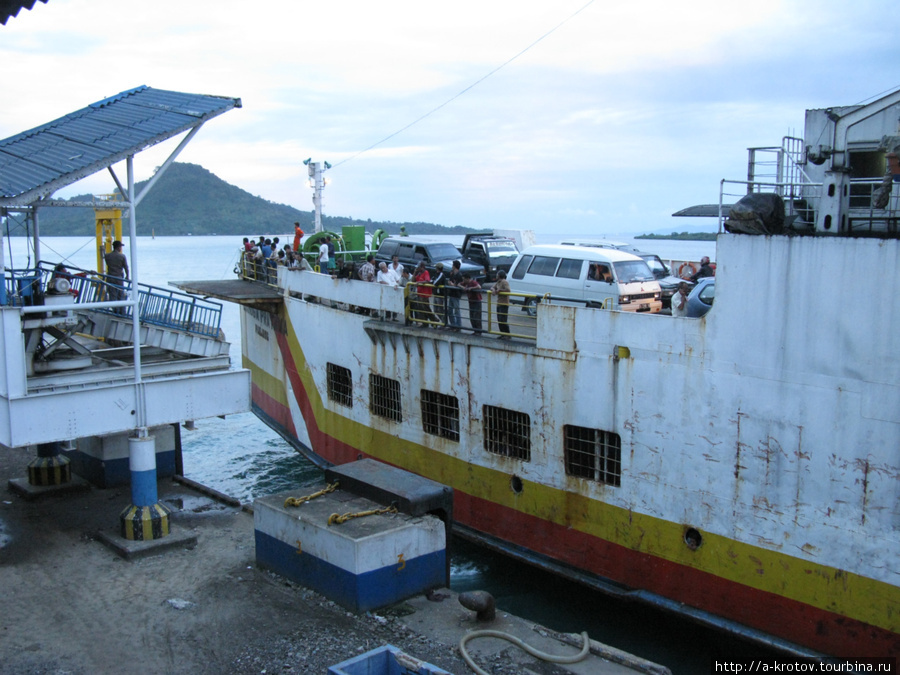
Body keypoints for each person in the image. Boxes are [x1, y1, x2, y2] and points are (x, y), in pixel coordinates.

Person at [104, 240, 129, 311]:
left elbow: (108, 264)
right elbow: (126, 267)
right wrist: (127, 276)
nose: (121, 248)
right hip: (119, 278)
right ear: (118, 247)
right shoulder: (122, 256)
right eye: (120, 246)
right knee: (120, 294)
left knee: (112, 294)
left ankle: (115, 309)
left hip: (110, 277)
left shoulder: (107, 256)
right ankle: (121, 310)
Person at [490, 269, 511, 338]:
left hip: (504, 303)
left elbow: (508, 290)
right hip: (499, 303)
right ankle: (502, 333)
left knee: (503, 319)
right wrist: (494, 290)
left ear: (499, 275)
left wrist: (500, 290)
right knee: (499, 319)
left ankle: (507, 334)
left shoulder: (504, 282)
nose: (496, 276)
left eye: (497, 275)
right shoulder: (498, 282)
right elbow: (492, 287)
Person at [445, 260, 463, 330]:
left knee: (456, 310)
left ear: (455, 266)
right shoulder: (452, 274)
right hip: (452, 294)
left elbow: (458, 285)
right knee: (450, 310)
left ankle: (458, 326)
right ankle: (453, 325)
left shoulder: (459, 275)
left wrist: (452, 284)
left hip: (456, 295)